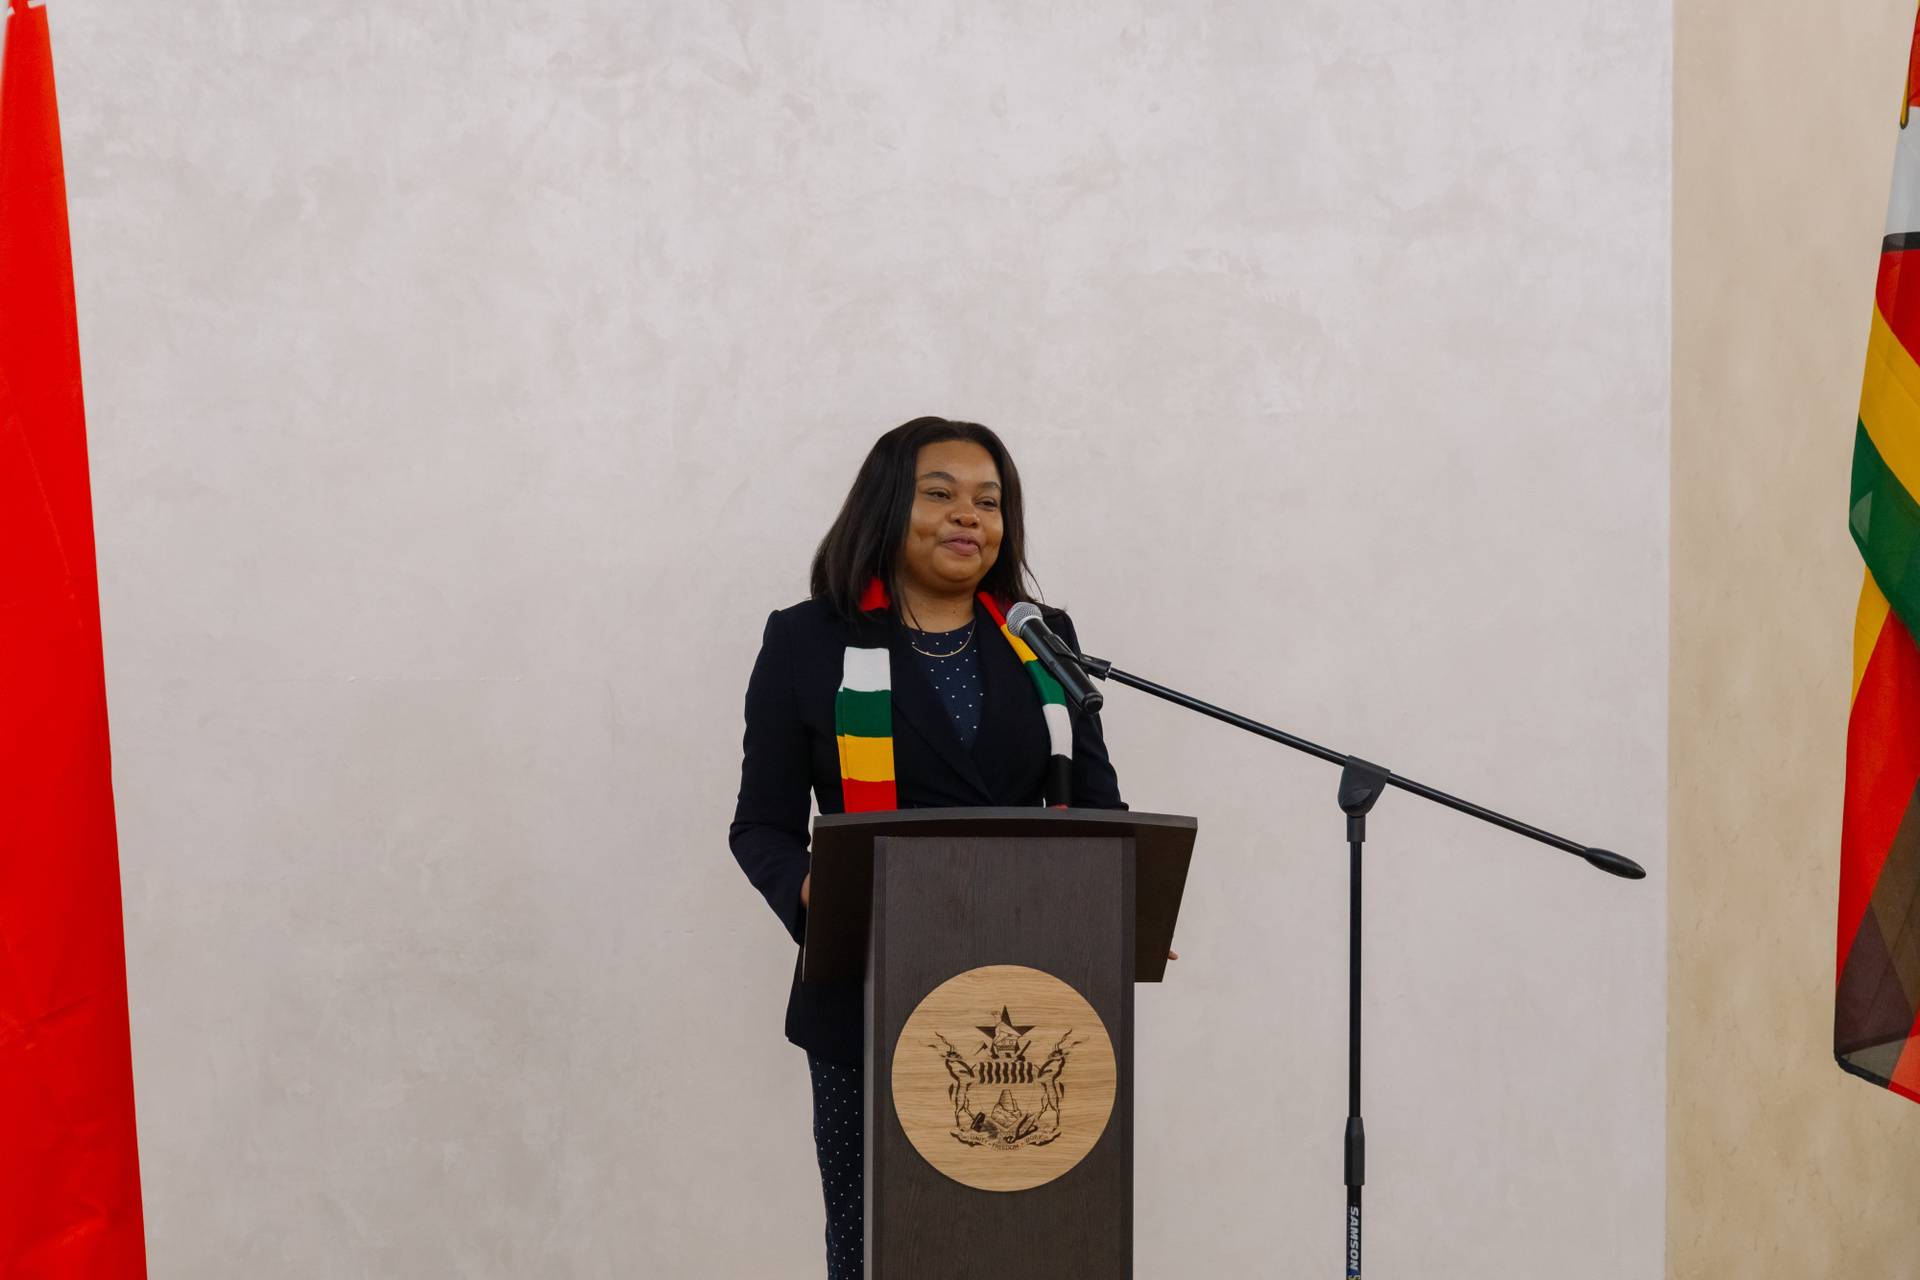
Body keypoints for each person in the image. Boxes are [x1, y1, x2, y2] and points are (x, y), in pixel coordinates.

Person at [729, 416, 1126, 1280]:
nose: (969, 516)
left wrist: (1125, 913)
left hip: (1035, 996)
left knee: (1034, 1243)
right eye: (940, 494)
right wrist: (815, 893)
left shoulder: (1040, 634)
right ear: (886, 507)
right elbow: (760, 825)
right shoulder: (808, 640)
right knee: (878, 1242)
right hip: (867, 992)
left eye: (990, 501)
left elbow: (1100, 811)